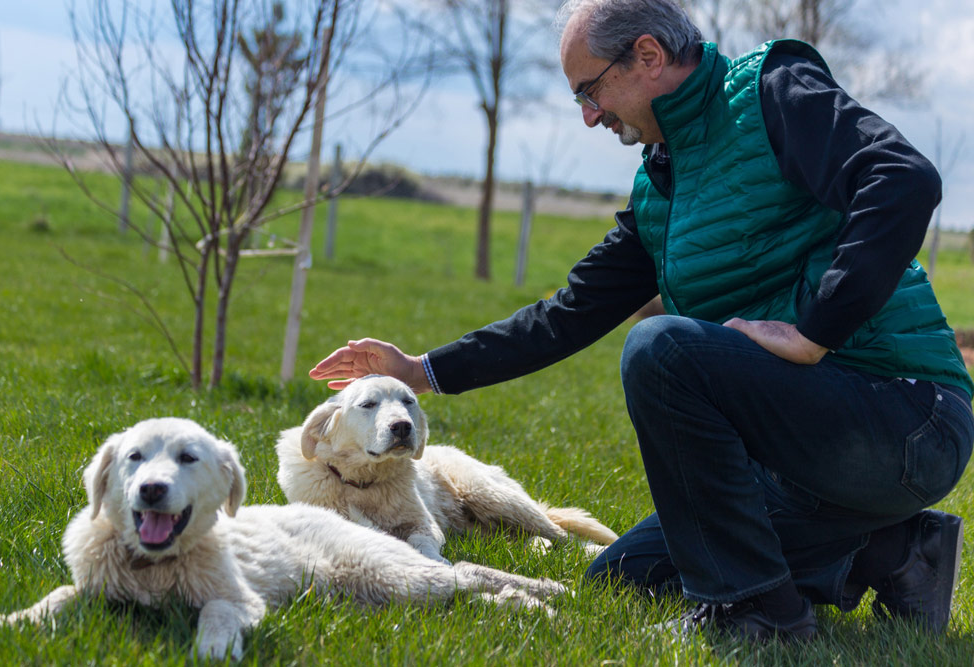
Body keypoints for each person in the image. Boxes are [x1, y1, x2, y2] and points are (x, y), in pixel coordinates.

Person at [309, 0, 974, 641]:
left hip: (908, 419)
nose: (590, 116)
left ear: (648, 56)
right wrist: (419, 371)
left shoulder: (773, 90)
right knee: (627, 578)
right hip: (807, 449)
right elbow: (567, 314)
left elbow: (901, 177)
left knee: (661, 348)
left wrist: (813, 333)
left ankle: (759, 612)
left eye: (590, 91)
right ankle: (897, 550)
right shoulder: (661, 187)